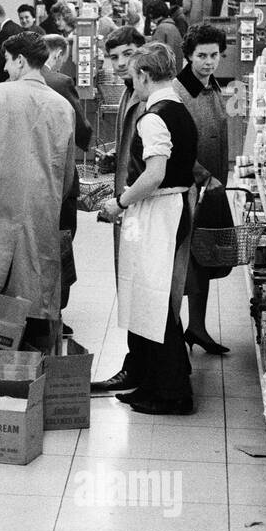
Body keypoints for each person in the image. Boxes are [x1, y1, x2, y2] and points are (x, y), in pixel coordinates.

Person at [0, 32, 77, 345]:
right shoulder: (63, 107)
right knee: (34, 283)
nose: (6, 69)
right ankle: (30, 365)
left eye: (7, 61)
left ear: (19, 60)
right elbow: (67, 171)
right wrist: (52, 199)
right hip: (42, 208)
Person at [96, 43, 199, 415]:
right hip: (173, 205)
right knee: (152, 295)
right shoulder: (179, 108)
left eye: (134, 76)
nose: (132, 85)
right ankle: (155, 379)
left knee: (153, 298)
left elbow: (154, 174)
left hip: (158, 210)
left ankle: (172, 392)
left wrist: (119, 202)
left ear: (145, 75)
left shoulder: (153, 116)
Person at [91, 25, 151, 394]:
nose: (118, 65)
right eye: (112, 58)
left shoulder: (151, 93)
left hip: (140, 206)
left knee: (142, 283)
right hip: (129, 204)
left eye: (126, 55)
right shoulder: (132, 92)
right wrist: (116, 156)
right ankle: (138, 361)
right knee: (130, 281)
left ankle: (141, 366)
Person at [176, 22, 233, 355]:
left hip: (212, 187)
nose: (209, 62)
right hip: (191, 187)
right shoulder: (179, 91)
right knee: (187, 261)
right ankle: (177, 329)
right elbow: (178, 143)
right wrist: (202, 176)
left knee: (205, 257)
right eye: (202, 56)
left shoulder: (212, 86)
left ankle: (197, 327)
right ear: (188, 55)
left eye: (214, 55)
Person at [37, 34, 91, 336]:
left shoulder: (8, 89)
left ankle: (37, 314)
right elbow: (81, 130)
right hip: (60, 181)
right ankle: (55, 314)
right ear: (56, 54)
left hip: (31, 185)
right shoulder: (60, 82)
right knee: (61, 247)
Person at [149, 1, 185, 72]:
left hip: (166, 74)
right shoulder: (171, 26)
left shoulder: (161, 28)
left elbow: (156, 55)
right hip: (176, 70)